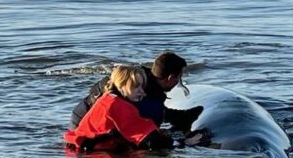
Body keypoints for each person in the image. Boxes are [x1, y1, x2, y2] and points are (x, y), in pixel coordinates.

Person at [63, 64, 209, 152]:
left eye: (142, 86)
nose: (142, 91)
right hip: (89, 154)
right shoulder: (118, 105)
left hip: (82, 148)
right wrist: (185, 143)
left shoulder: (110, 99)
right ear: (122, 86)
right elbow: (149, 140)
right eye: (136, 86)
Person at [69, 51, 202, 132]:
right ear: (170, 77)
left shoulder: (136, 74)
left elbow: (94, 88)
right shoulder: (148, 96)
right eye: (179, 78)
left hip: (81, 114)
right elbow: (148, 130)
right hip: (88, 127)